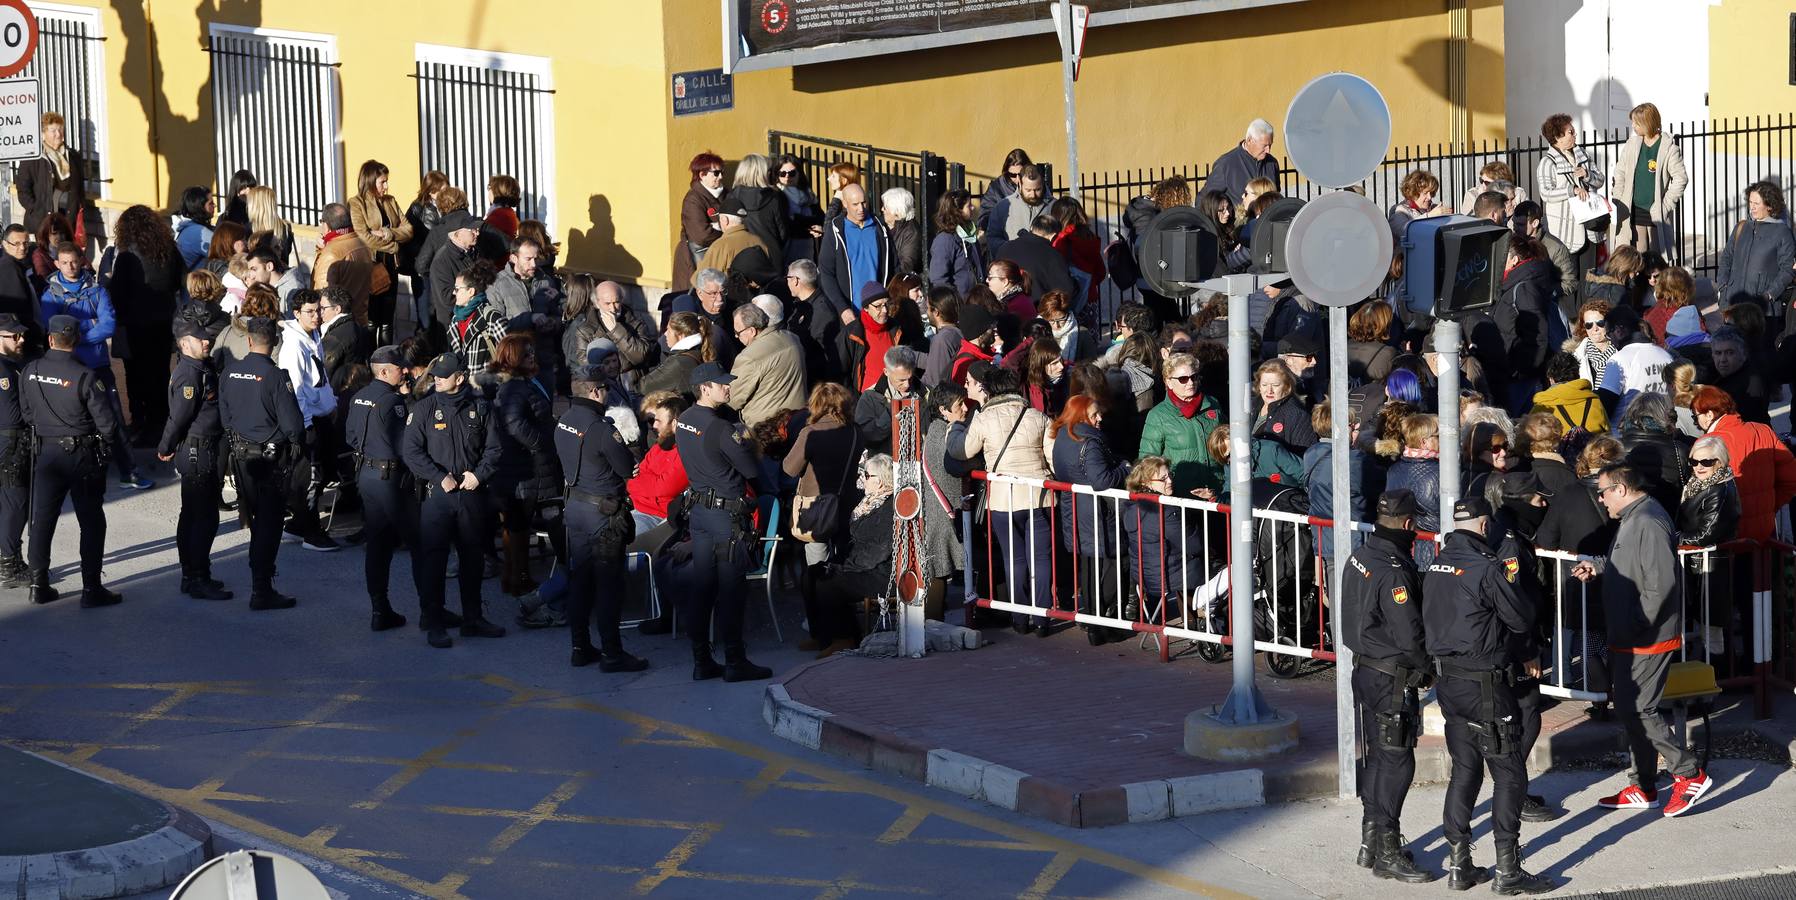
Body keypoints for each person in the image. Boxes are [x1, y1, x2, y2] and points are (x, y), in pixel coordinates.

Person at [1423, 496, 1553, 894]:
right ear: (1483, 527)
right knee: (1509, 773)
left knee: (1465, 770)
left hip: (1450, 684)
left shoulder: (1434, 564)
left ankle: (1459, 866)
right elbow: (1519, 617)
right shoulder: (1486, 567)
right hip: (1486, 685)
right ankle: (1508, 870)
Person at [1573, 464, 1713, 818]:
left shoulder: (1647, 520)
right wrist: (1600, 567)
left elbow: (1661, 584)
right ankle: (1644, 785)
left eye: (1603, 491)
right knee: (1628, 707)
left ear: (1621, 489)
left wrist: (1640, 625)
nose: (1600, 498)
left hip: (1645, 637)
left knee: (1640, 709)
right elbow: (1632, 564)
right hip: (1631, 634)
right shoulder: (1637, 517)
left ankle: (1688, 773)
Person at [1341, 490, 1433, 883]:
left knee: (1379, 757)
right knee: (1397, 760)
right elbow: (1410, 633)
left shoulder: (1361, 554)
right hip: (1391, 677)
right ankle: (1389, 852)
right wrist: (1428, 668)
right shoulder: (1394, 568)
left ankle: (1371, 840)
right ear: (1410, 524)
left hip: (1364, 670)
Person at [676, 361, 774, 681]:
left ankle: (701, 660)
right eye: (721, 384)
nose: (727, 387)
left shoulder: (685, 420)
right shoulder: (720, 427)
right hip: (725, 516)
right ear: (705, 388)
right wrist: (743, 438)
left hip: (700, 512)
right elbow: (750, 469)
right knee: (732, 589)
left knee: (703, 586)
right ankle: (735, 660)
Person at [402, 352, 506, 648]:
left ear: (459, 378)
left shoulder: (481, 408)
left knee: (472, 558)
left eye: (443, 376)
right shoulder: (424, 409)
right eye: (435, 375)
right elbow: (411, 451)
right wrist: (439, 477)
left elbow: (494, 449)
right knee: (434, 559)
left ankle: (473, 619)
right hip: (438, 496)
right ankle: (434, 621)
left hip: (471, 493)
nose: (436, 380)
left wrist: (479, 475)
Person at [19, 315, 120, 607]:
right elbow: (108, 425)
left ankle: (38, 584)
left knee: (42, 520)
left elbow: (27, 414)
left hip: (46, 454)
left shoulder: (30, 371)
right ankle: (91, 589)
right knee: (90, 522)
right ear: (75, 341)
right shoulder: (85, 376)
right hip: (81, 455)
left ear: (50, 339)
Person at [555, 363, 650, 672]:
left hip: (576, 509)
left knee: (580, 580)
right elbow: (626, 468)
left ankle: (579, 646)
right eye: (605, 388)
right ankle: (612, 653)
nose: (608, 392)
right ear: (594, 391)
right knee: (609, 585)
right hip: (602, 514)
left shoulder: (564, 421)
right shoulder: (601, 428)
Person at [949, 362, 1056, 632]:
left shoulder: (983, 419)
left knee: (1014, 560)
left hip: (1003, 500)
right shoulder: (1037, 416)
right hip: (1040, 497)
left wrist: (954, 429)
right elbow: (1053, 459)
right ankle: (1042, 618)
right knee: (1041, 560)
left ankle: (1020, 619)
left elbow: (963, 450)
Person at [40, 241, 151, 490]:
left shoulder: (97, 290)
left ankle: (129, 472)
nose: (70, 267)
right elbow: (54, 331)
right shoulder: (50, 295)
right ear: (56, 264)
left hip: (98, 365)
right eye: (64, 262)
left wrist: (76, 337)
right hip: (67, 366)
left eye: (74, 261)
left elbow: (108, 325)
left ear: (82, 261)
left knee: (113, 418)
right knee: (68, 419)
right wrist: (89, 325)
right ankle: (68, 472)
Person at [216, 317, 304, 610]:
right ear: (275, 342)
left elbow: (225, 417)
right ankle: (261, 589)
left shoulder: (229, 373)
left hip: (241, 456)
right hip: (270, 459)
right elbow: (293, 424)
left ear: (250, 340)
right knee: (269, 523)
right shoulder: (277, 377)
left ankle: (260, 583)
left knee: (255, 517)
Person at [1047, 394, 1132, 644]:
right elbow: (1101, 480)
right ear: (1081, 416)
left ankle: (1093, 621)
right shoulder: (1090, 442)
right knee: (1117, 563)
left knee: (1089, 567)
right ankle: (1107, 623)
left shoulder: (1063, 436)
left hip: (1075, 510)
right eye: (1094, 414)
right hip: (1098, 513)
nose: (1100, 418)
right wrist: (1124, 468)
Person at [488, 334, 564, 610]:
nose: (532, 356)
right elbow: (515, 424)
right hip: (525, 468)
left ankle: (517, 577)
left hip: (531, 467)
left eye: (533, 352)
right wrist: (542, 443)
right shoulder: (511, 389)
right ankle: (518, 580)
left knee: (518, 526)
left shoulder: (526, 383)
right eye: (526, 354)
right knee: (518, 527)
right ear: (511, 358)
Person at [344, 345, 417, 631]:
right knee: (420, 544)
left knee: (377, 544)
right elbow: (405, 444)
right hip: (391, 480)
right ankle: (431, 612)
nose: (406, 371)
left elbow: (350, 436)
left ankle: (379, 609)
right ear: (385, 371)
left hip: (366, 475)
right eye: (400, 368)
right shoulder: (392, 402)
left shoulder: (359, 397)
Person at [784, 381, 862, 648]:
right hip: (847, 508)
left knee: (817, 573)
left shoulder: (811, 432)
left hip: (816, 512)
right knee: (839, 570)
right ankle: (841, 632)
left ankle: (827, 634)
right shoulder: (854, 432)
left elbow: (790, 468)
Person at [158, 320, 232, 600]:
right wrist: (166, 446)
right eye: (200, 339)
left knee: (193, 515)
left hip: (204, 448)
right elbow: (179, 417)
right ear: (184, 343)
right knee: (202, 517)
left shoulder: (201, 368)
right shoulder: (189, 374)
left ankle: (193, 574)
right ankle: (196, 576)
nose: (207, 342)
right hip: (197, 451)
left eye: (207, 339)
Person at [107, 204, 184, 447]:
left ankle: (141, 423)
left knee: (136, 377)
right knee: (161, 374)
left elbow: (118, 292)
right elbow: (181, 279)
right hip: (163, 322)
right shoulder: (168, 249)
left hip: (135, 325)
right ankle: (160, 422)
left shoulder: (127, 254)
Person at [808, 453, 898, 658]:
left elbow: (879, 550)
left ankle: (844, 638)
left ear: (882, 481)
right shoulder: (868, 502)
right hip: (860, 565)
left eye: (867, 475)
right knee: (813, 573)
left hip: (879, 573)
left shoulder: (889, 507)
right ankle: (821, 636)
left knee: (830, 583)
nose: (863, 479)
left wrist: (846, 567)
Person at [276, 291, 341, 551]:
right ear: (296, 313)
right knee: (312, 477)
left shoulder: (314, 336)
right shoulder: (293, 345)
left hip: (323, 413)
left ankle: (296, 525)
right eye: (310, 312)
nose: (316, 316)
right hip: (309, 419)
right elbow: (297, 388)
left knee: (323, 471)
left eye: (318, 310)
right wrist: (307, 424)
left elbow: (320, 376)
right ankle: (311, 532)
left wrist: (331, 401)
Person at [1690, 385, 1796, 542]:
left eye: (1695, 416)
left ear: (1709, 415)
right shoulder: (1763, 431)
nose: (1696, 422)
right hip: (1765, 532)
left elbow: (1700, 496)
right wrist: (1768, 507)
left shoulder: (1706, 445)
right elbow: (1792, 478)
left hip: (1727, 536)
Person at [1535, 113, 1605, 292]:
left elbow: (1600, 180)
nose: (1575, 135)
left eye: (1573, 132)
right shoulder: (1547, 163)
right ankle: (1572, 316)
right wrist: (1571, 190)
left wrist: (1587, 175)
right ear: (1557, 137)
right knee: (1569, 276)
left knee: (1589, 277)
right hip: (1565, 230)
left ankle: (1588, 311)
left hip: (1589, 225)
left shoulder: (1583, 156)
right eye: (1570, 132)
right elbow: (1545, 193)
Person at [1138, 353, 1222, 497]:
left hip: (1217, 492)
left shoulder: (1212, 404)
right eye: (1183, 379)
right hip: (1181, 497)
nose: (1190, 383)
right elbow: (1148, 462)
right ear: (1169, 382)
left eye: (1194, 377)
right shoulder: (1158, 415)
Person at [346, 161, 413, 341]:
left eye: (386, 181)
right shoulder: (356, 204)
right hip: (371, 267)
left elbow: (409, 229)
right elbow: (363, 237)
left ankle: (386, 359)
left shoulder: (390, 201)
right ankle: (369, 362)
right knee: (371, 319)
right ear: (370, 181)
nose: (386, 186)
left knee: (387, 319)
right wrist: (394, 244)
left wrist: (388, 232)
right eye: (382, 182)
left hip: (392, 265)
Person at [1609, 103, 1688, 254]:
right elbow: (1620, 171)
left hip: (1655, 210)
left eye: (1636, 123)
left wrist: (1665, 205)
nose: (1633, 126)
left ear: (1648, 123)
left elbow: (1681, 178)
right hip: (1633, 209)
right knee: (1637, 255)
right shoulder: (1632, 144)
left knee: (1656, 260)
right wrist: (1619, 196)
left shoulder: (1669, 148)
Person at [816, 184, 892, 336]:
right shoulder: (836, 230)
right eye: (855, 204)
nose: (861, 208)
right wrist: (842, 308)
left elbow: (893, 266)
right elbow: (826, 273)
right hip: (849, 313)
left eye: (863, 203)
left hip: (878, 311)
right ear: (844, 204)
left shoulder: (879, 227)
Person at [1715, 180, 1796, 313]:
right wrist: (1723, 288)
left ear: (1769, 206)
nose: (1752, 207)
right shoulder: (1741, 227)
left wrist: (1769, 295)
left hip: (1763, 311)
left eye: (1757, 203)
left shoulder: (1782, 232)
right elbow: (1726, 258)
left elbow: (1787, 269)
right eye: (1750, 202)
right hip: (1732, 305)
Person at [728, 301, 805, 427]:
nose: (736, 337)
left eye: (738, 333)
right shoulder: (792, 338)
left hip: (767, 429)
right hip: (798, 420)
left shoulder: (749, 357)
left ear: (752, 331)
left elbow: (732, 399)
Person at [15, 113, 90, 236]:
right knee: (46, 254)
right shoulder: (33, 157)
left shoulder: (73, 156)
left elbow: (79, 186)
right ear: (43, 134)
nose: (58, 134)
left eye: (60, 129)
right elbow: (23, 189)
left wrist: (80, 206)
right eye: (53, 130)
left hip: (69, 219)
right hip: (43, 222)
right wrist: (36, 209)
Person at [445, 261, 510, 391]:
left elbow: (510, 355)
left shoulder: (490, 317)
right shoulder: (456, 318)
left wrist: (492, 380)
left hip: (486, 390)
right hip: (462, 389)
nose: (453, 292)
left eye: (457, 289)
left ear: (471, 291)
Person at [0, 315, 29, 587]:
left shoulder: (12, 365)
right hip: (10, 444)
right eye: (14, 336)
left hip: (10, 442)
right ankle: (9, 564)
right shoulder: (5, 371)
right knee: (15, 504)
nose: (21, 340)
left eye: (21, 335)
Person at [427, 210, 483, 351]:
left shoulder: (473, 251)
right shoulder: (442, 261)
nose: (477, 233)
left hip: (473, 322)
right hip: (454, 330)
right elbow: (447, 298)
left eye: (477, 229)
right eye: (472, 230)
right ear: (457, 234)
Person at [674, 152, 726, 293]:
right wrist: (724, 230)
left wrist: (716, 226)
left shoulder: (725, 194)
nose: (721, 176)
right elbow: (701, 235)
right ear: (702, 175)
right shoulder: (693, 199)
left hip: (715, 256)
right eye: (716, 173)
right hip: (695, 258)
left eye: (722, 172)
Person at [999, 215, 1078, 305]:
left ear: (1031, 228)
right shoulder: (1053, 255)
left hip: (1006, 308)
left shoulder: (1005, 248)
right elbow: (1065, 290)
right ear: (1054, 236)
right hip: (1038, 311)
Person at [839, 285, 904, 394]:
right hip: (865, 401)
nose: (884, 310)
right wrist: (854, 401)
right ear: (866, 308)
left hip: (893, 398)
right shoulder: (851, 334)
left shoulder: (896, 329)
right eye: (878, 306)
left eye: (887, 304)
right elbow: (841, 373)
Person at [854, 346, 919, 451]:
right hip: (885, 462)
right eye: (901, 380)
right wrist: (890, 414)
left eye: (910, 378)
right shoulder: (870, 397)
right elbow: (863, 436)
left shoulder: (925, 392)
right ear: (886, 372)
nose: (907, 385)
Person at [1679, 436, 1741, 547]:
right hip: (1694, 557)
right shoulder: (1695, 484)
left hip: (1705, 560)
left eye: (1706, 462)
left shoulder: (1719, 490)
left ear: (1720, 462)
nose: (1699, 467)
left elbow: (1704, 536)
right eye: (1694, 462)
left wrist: (1673, 537)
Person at [1530, 351, 1609, 437]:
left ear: (1551, 379)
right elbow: (1607, 434)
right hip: (1591, 449)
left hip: (1555, 450)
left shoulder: (1542, 406)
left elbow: (1528, 436)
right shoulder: (1594, 402)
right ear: (1578, 375)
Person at [986, 166, 1051, 264]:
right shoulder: (1003, 207)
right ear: (1019, 183)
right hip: (1013, 268)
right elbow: (992, 238)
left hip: (1045, 267)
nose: (1033, 195)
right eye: (1028, 190)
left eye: (1037, 189)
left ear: (1043, 183)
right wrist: (1011, 249)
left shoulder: (1054, 206)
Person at [1207, 119, 1280, 205]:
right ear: (1249, 141)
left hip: (1267, 217)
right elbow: (1208, 200)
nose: (1268, 150)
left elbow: (1276, 196)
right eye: (1264, 146)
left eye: (1270, 145)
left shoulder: (1272, 163)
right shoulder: (1226, 164)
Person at [928, 189, 982, 296]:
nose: (973, 207)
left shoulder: (970, 234)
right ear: (957, 210)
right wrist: (953, 302)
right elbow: (939, 279)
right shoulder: (944, 240)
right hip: (958, 304)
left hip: (975, 300)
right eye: (968, 205)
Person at [0, 226, 42, 341]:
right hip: (19, 336)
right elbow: (17, 307)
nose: (22, 248)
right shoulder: (9, 268)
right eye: (17, 243)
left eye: (25, 243)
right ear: (5, 244)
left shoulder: (21, 262)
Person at [978, 148, 1032, 234]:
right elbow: (984, 215)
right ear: (1007, 172)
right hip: (1005, 237)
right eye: (1013, 175)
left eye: (1021, 173)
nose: (1017, 179)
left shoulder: (1036, 183)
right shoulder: (997, 187)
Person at [1387, 169, 1450, 242]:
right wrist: (1429, 216)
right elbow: (1404, 232)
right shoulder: (1399, 210)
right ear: (1413, 193)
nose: (1430, 197)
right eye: (1425, 193)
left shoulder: (1433, 208)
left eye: (1431, 193)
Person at [1564, 298, 1615, 386]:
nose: (1595, 329)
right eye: (1589, 325)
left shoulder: (1623, 352)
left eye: (1600, 323)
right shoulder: (1575, 358)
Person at [1458, 161, 1528, 216]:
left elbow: (1527, 218)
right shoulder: (1472, 195)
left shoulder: (1518, 193)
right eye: (1481, 180)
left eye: (1487, 183)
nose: (1483, 185)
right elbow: (1466, 222)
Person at [882, 187, 922, 276]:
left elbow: (906, 265)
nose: (882, 209)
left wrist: (884, 271)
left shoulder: (911, 232)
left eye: (885, 207)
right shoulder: (883, 226)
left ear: (896, 212)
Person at [174, 186, 216, 271]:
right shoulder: (198, 232)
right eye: (211, 203)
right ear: (199, 206)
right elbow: (226, 255)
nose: (215, 205)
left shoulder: (188, 228)